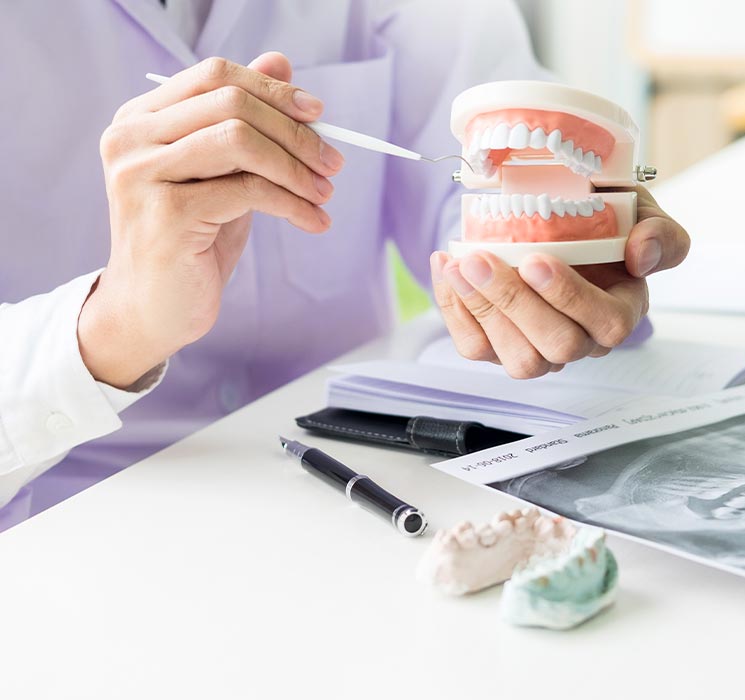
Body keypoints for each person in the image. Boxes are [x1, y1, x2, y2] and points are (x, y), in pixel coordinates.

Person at [0, 0, 689, 527]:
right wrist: (111, 329)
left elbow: (493, 143)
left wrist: (552, 251)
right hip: (63, 527)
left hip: (360, 482)